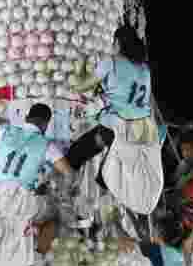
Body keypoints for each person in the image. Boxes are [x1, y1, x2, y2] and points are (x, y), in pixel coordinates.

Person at [0, 103, 77, 266]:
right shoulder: (46, 145)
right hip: (20, 200)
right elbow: (69, 173)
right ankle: (39, 255)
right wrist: (64, 192)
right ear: (46, 125)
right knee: (53, 215)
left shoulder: (6, 132)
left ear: (26, 118)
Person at [65, 24, 155, 187]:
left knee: (75, 154)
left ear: (118, 43)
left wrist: (81, 64)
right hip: (139, 130)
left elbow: (80, 86)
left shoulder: (111, 62)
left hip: (115, 127)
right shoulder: (145, 70)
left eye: (113, 42)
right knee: (106, 177)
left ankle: (69, 190)